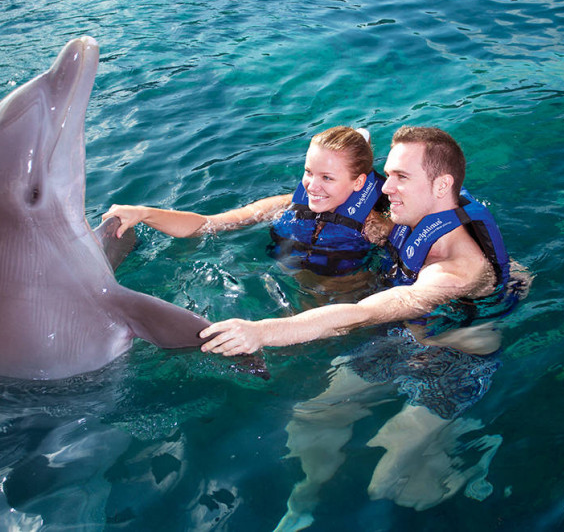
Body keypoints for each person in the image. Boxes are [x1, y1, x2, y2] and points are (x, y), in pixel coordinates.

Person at [197, 126, 531, 529]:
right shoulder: (414, 215)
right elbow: (355, 155)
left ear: (442, 185)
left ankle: (466, 462)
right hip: (404, 339)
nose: (385, 187)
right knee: (311, 414)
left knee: (389, 481)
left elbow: (363, 313)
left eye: (400, 178)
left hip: (455, 362)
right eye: (387, 174)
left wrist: (262, 331)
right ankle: (302, 503)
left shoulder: (456, 269)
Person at [102, 126, 391, 278]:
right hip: (284, 282)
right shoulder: (287, 205)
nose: (311, 186)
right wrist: (143, 213)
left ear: (358, 183)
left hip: (335, 304)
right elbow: (208, 224)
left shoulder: (374, 228)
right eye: (308, 172)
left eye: (327, 178)